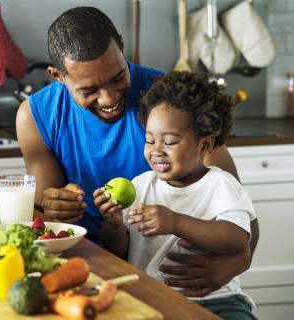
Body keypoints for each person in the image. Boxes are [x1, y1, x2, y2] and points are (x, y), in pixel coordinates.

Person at [16, 6, 259, 297]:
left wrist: (239, 261)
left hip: (175, 280)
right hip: (82, 267)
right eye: (88, 90)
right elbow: (47, 222)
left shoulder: (168, 101)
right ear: (58, 75)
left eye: (118, 77)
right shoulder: (36, 116)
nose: (109, 98)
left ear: (121, 46)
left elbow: (240, 211)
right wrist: (54, 205)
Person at [93, 71, 257, 319]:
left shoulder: (221, 185)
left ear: (205, 145)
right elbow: (119, 252)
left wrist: (176, 222)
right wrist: (113, 226)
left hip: (215, 300)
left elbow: (236, 239)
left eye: (168, 142)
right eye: (149, 141)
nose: (156, 151)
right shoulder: (141, 185)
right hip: (150, 298)